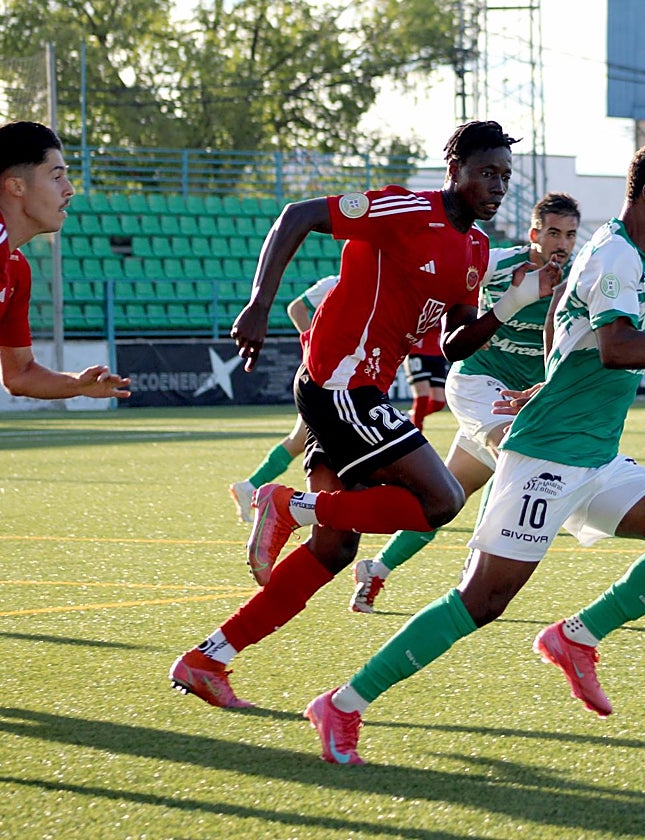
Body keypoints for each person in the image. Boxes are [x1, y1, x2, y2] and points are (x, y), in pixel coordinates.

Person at [297, 140, 645, 766]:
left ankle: (577, 638)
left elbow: (563, 321)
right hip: (546, 458)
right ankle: (344, 704)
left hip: (593, 455)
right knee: (481, 601)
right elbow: (617, 348)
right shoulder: (616, 257)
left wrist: (548, 377)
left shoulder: (637, 255)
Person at [169, 120, 562, 708]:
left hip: (360, 390)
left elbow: (452, 344)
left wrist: (511, 303)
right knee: (443, 500)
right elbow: (296, 216)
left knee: (334, 550)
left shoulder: (476, 249)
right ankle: (286, 504)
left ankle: (208, 659)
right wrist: (259, 305)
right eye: (487, 172)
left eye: (505, 176)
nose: (497, 185)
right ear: (454, 171)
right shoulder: (405, 208)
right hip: (340, 384)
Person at [350, 192, 581, 613]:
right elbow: (451, 278)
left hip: (517, 402)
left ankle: (376, 568)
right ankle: (474, 575)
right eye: (552, 233)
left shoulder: (578, 280)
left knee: (446, 499)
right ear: (533, 234)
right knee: (515, 459)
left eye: (569, 235)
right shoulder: (500, 264)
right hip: (478, 382)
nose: (561, 244)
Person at [0, 121, 131, 609]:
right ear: (15, 185)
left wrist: (76, 385)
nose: (69, 189)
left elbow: (19, 374)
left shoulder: (15, 267)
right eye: (57, 175)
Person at [228, 274, 337, 524]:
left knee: (299, 441)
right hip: (324, 372)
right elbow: (296, 308)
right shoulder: (337, 281)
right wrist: (315, 343)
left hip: (337, 373)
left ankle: (250, 486)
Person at [402, 323, 448, 431]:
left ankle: (410, 416)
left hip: (438, 355)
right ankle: (416, 437)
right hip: (417, 352)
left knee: (439, 403)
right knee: (422, 397)